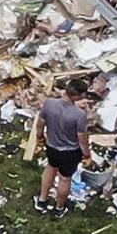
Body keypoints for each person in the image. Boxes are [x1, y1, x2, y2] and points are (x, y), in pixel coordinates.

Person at [37, 80, 92, 217]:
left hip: (52, 147)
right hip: (70, 152)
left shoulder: (49, 103)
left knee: (50, 168)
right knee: (64, 178)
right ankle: (59, 208)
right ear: (79, 95)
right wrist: (86, 154)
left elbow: (40, 123)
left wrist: (40, 137)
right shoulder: (79, 115)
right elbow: (82, 139)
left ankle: (42, 200)